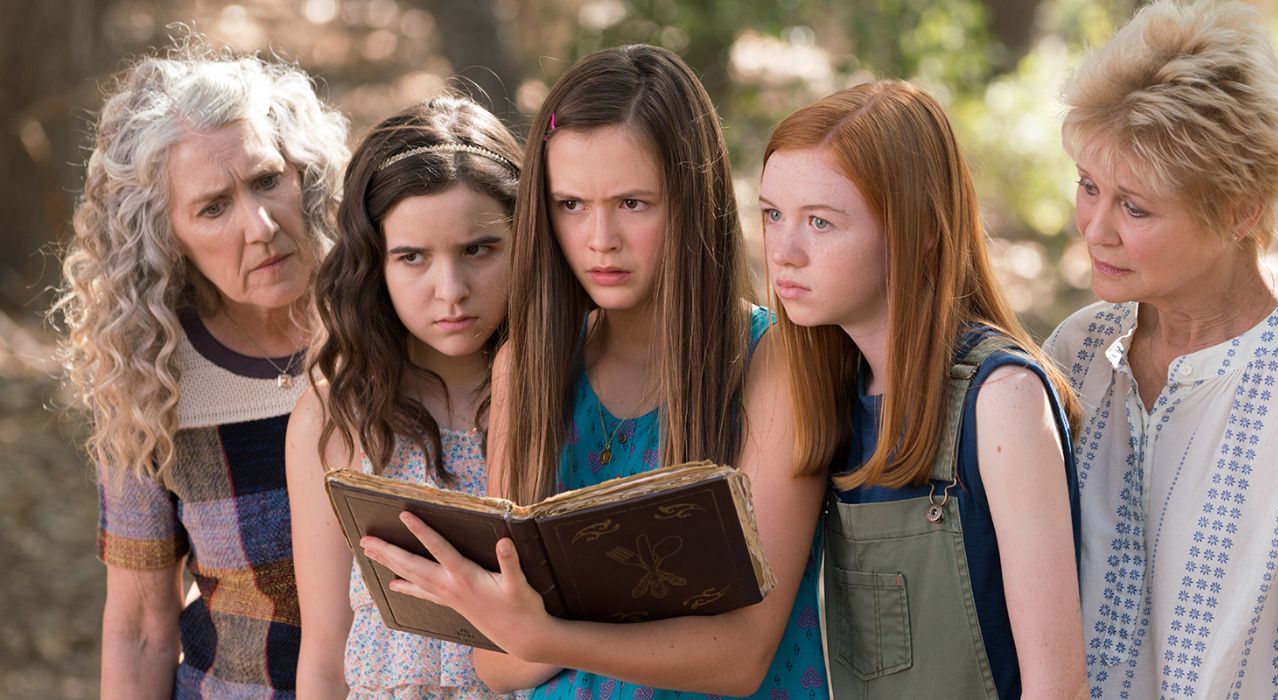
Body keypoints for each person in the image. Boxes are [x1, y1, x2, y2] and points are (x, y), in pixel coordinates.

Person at [357, 44, 829, 699]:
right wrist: (525, 632)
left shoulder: (773, 361)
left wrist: (544, 633)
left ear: (693, 200)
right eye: (570, 204)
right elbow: (496, 665)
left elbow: (741, 655)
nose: (599, 238)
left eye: (633, 204)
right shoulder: (530, 365)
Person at [1042, 2, 1278, 696]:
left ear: (1240, 209)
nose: (1094, 229)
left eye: (1135, 207)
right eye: (1089, 187)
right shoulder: (1076, 350)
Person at [760, 80, 1089, 698]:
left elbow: (1058, 688)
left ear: (922, 230)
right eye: (773, 214)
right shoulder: (832, 389)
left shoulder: (1002, 399)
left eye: (821, 222)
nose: (785, 251)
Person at [52, 43, 349, 697]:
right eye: (213, 207)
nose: (261, 225)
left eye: (268, 180)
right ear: (166, 237)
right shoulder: (153, 378)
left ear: (304, 173)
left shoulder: (392, 324)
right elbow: (138, 626)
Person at [285, 96, 523, 698]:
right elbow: (322, 654)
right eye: (412, 257)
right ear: (373, 265)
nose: (452, 291)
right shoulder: (337, 415)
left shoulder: (565, 392)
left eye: (478, 249)